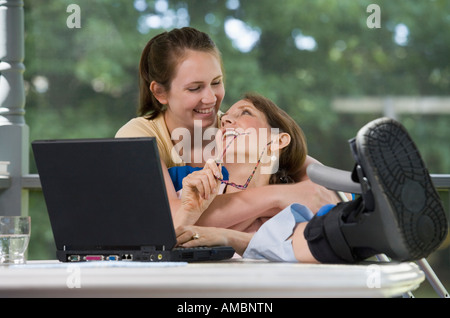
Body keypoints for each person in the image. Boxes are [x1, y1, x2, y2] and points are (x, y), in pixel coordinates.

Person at [175, 93, 448, 263]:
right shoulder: (193, 182)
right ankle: (371, 230)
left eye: (244, 113)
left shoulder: (300, 197)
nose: (227, 121)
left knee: (300, 227)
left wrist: (226, 237)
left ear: (278, 140)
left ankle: (372, 227)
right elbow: (159, 240)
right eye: (226, 119)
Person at [116, 27, 339, 232]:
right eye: (195, 88)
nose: (211, 99)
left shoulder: (237, 133)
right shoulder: (138, 136)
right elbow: (169, 222)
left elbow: (332, 192)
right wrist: (279, 197)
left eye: (216, 82)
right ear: (160, 92)